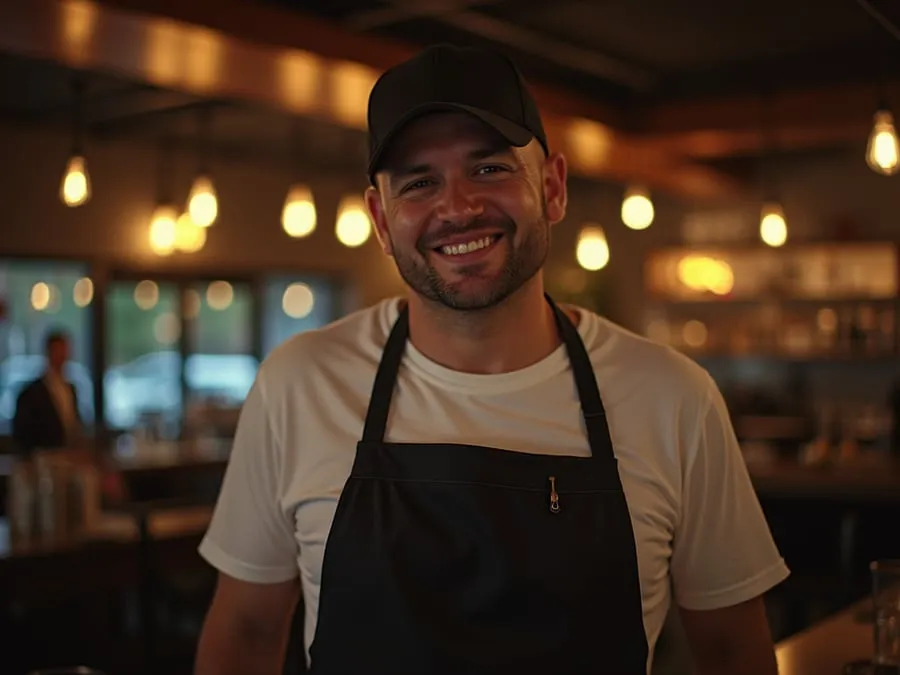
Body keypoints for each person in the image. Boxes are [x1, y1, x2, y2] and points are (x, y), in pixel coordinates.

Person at [195, 44, 789, 675]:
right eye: (419, 182)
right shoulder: (300, 383)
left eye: (490, 169)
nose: (457, 208)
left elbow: (732, 648)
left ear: (553, 188)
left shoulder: (674, 397)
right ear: (380, 218)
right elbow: (247, 628)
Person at [13, 329, 83, 455]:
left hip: (68, 455)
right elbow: (23, 433)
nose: (62, 356)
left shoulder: (71, 389)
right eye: (58, 351)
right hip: (44, 457)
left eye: (64, 350)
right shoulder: (32, 393)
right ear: (49, 353)